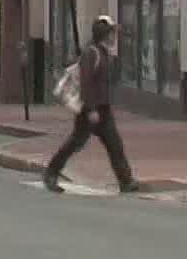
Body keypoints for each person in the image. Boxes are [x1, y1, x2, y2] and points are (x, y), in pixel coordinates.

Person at [43, 15, 139, 195]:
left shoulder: (103, 53)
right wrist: (91, 109)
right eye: (112, 33)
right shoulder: (91, 53)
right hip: (91, 109)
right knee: (75, 143)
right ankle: (51, 173)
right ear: (104, 34)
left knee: (115, 144)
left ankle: (126, 181)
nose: (114, 37)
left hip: (103, 108)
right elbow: (87, 83)